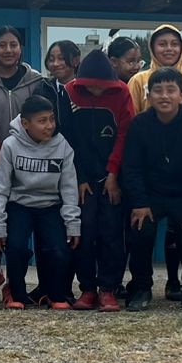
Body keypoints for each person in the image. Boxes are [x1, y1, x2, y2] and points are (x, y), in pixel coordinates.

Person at [125, 24, 182, 301]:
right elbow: (132, 168)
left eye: (171, 90)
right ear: (147, 97)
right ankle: (140, 289)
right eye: (158, 91)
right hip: (150, 193)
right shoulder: (139, 125)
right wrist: (139, 203)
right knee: (140, 232)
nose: (164, 96)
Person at [58, 48, 134, 312]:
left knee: (112, 233)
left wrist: (113, 175)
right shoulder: (68, 93)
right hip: (80, 177)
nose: (97, 92)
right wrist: (78, 177)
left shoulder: (122, 93)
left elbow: (125, 135)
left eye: (102, 88)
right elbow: (66, 138)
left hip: (112, 176)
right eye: (91, 87)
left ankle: (108, 289)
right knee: (85, 231)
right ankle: (87, 288)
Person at [0, 94, 80, 309]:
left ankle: (54, 295)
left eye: (51, 119)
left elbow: (68, 187)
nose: (49, 126)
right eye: (42, 121)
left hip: (50, 206)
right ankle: (16, 294)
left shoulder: (62, 145)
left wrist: (72, 224)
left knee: (58, 250)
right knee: (16, 247)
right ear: (25, 124)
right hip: (20, 205)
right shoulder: (11, 145)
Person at [0, 26, 56, 143]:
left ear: (20, 49)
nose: (8, 50)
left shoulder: (37, 81)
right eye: (2, 45)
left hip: (31, 155)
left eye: (13, 45)